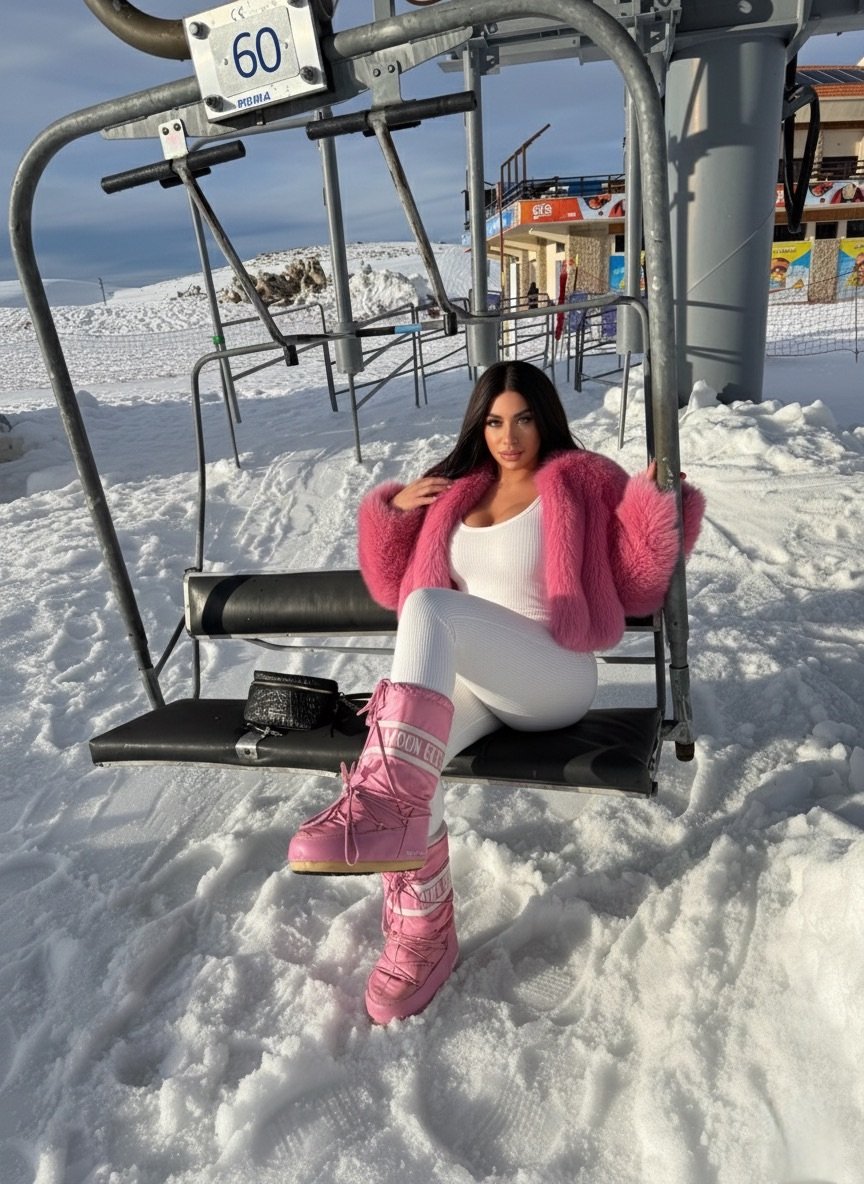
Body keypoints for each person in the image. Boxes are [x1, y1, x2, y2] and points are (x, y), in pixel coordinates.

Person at [288, 360, 705, 1024]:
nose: (508, 437)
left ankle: (381, 809)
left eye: (524, 419)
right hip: (479, 682)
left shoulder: (583, 478)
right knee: (411, 755)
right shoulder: (457, 492)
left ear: (545, 419)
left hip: (554, 674)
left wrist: (657, 506)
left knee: (430, 616)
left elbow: (635, 583)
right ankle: (422, 934)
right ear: (478, 427)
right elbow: (396, 589)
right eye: (494, 422)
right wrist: (394, 515)